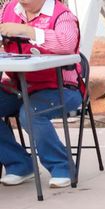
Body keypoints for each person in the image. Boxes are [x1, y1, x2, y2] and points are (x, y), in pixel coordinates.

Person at [0, 0, 81, 189]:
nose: (23, 1)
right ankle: (19, 164)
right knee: (27, 107)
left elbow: (67, 44)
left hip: (61, 88)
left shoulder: (63, 15)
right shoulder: (8, 9)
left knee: (30, 112)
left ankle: (63, 167)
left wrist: (29, 31)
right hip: (18, 85)